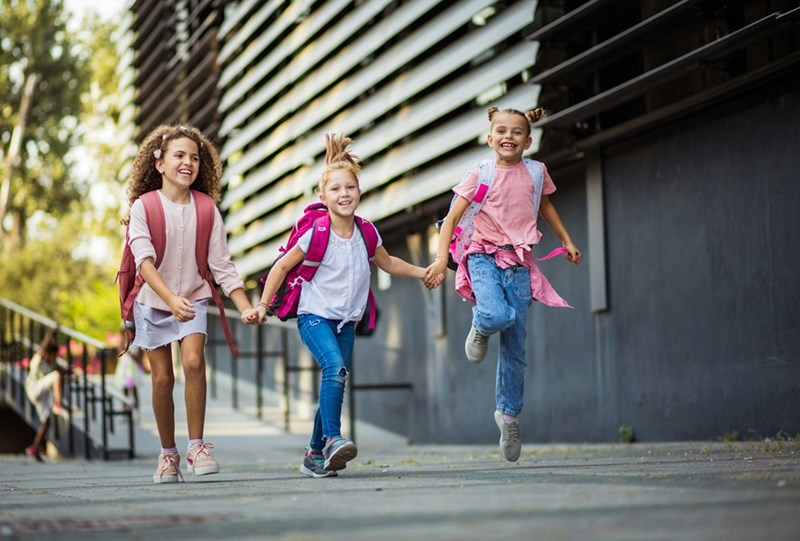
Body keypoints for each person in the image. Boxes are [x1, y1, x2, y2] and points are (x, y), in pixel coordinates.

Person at [242, 133, 443, 477]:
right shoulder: (316, 232)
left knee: (336, 376)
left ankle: (313, 454)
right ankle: (333, 439)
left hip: (347, 321)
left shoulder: (367, 231)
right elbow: (281, 266)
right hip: (314, 316)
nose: (344, 194)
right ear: (322, 197)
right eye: (335, 189)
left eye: (349, 187)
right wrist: (262, 305)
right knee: (334, 369)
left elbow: (389, 263)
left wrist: (422, 272)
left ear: (359, 192)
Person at [424, 106, 581, 462]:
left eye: (516, 132)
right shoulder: (480, 172)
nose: (508, 137)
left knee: (516, 349)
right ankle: (481, 325)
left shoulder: (537, 172)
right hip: (481, 256)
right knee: (496, 315)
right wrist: (438, 260)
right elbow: (450, 219)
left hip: (519, 261)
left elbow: (545, 206)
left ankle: (508, 416)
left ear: (528, 140)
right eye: (501, 131)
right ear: (490, 137)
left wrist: (566, 240)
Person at [125, 124, 254, 483]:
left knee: (194, 362)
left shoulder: (207, 208)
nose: (188, 163)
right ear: (160, 163)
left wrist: (244, 306)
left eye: (195, 158)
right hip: (153, 301)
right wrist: (170, 299)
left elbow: (222, 265)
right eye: (179, 156)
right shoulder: (143, 207)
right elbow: (144, 263)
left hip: (194, 296)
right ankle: (168, 455)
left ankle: (197, 446)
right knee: (163, 379)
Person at [24, 327, 64, 462]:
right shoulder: (39, 358)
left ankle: (34, 448)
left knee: (46, 421)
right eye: (52, 355)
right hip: (34, 388)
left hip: (41, 393)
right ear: (47, 353)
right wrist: (52, 332)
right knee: (56, 376)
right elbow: (44, 345)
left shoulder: (49, 363)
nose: (53, 358)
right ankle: (58, 403)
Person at [114, 344, 145, 417]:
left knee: (134, 391)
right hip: (125, 371)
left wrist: (128, 352)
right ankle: (124, 411)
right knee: (125, 392)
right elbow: (119, 355)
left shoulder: (138, 344)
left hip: (133, 371)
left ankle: (137, 412)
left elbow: (139, 358)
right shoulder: (122, 343)